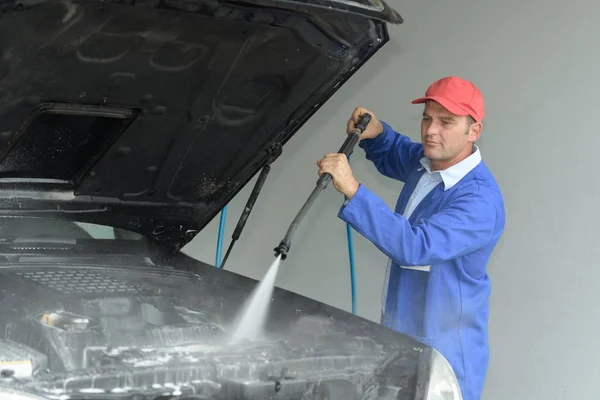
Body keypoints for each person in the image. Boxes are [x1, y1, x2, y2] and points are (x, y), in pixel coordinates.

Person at [316, 76, 505, 400]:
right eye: (427, 118)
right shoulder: (429, 164)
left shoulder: (479, 202)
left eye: (446, 122)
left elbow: (416, 247)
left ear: (473, 131)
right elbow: (400, 153)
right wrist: (377, 134)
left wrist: (354, 191)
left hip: (444, 357)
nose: (431, 130)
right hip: (402, 340)